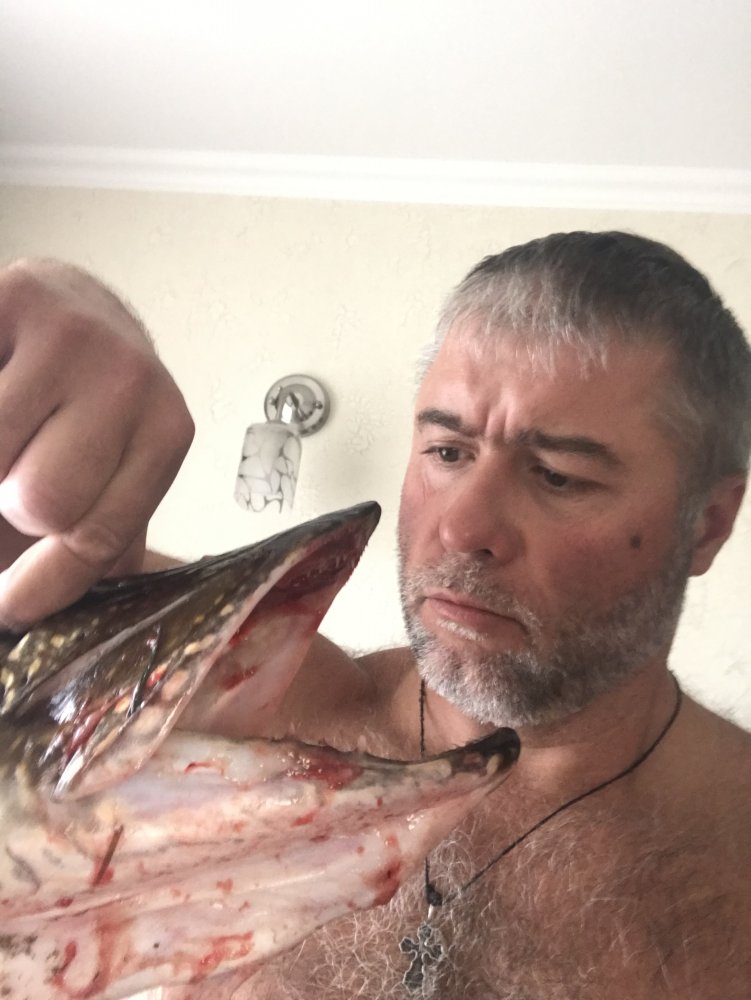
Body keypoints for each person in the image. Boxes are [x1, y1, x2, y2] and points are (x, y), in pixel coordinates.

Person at [0, 233, 749, 999]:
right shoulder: (229, 709)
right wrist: (50, 304)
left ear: (707, 524)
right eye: (447, 452)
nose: (461, 527)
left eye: (557, 475)